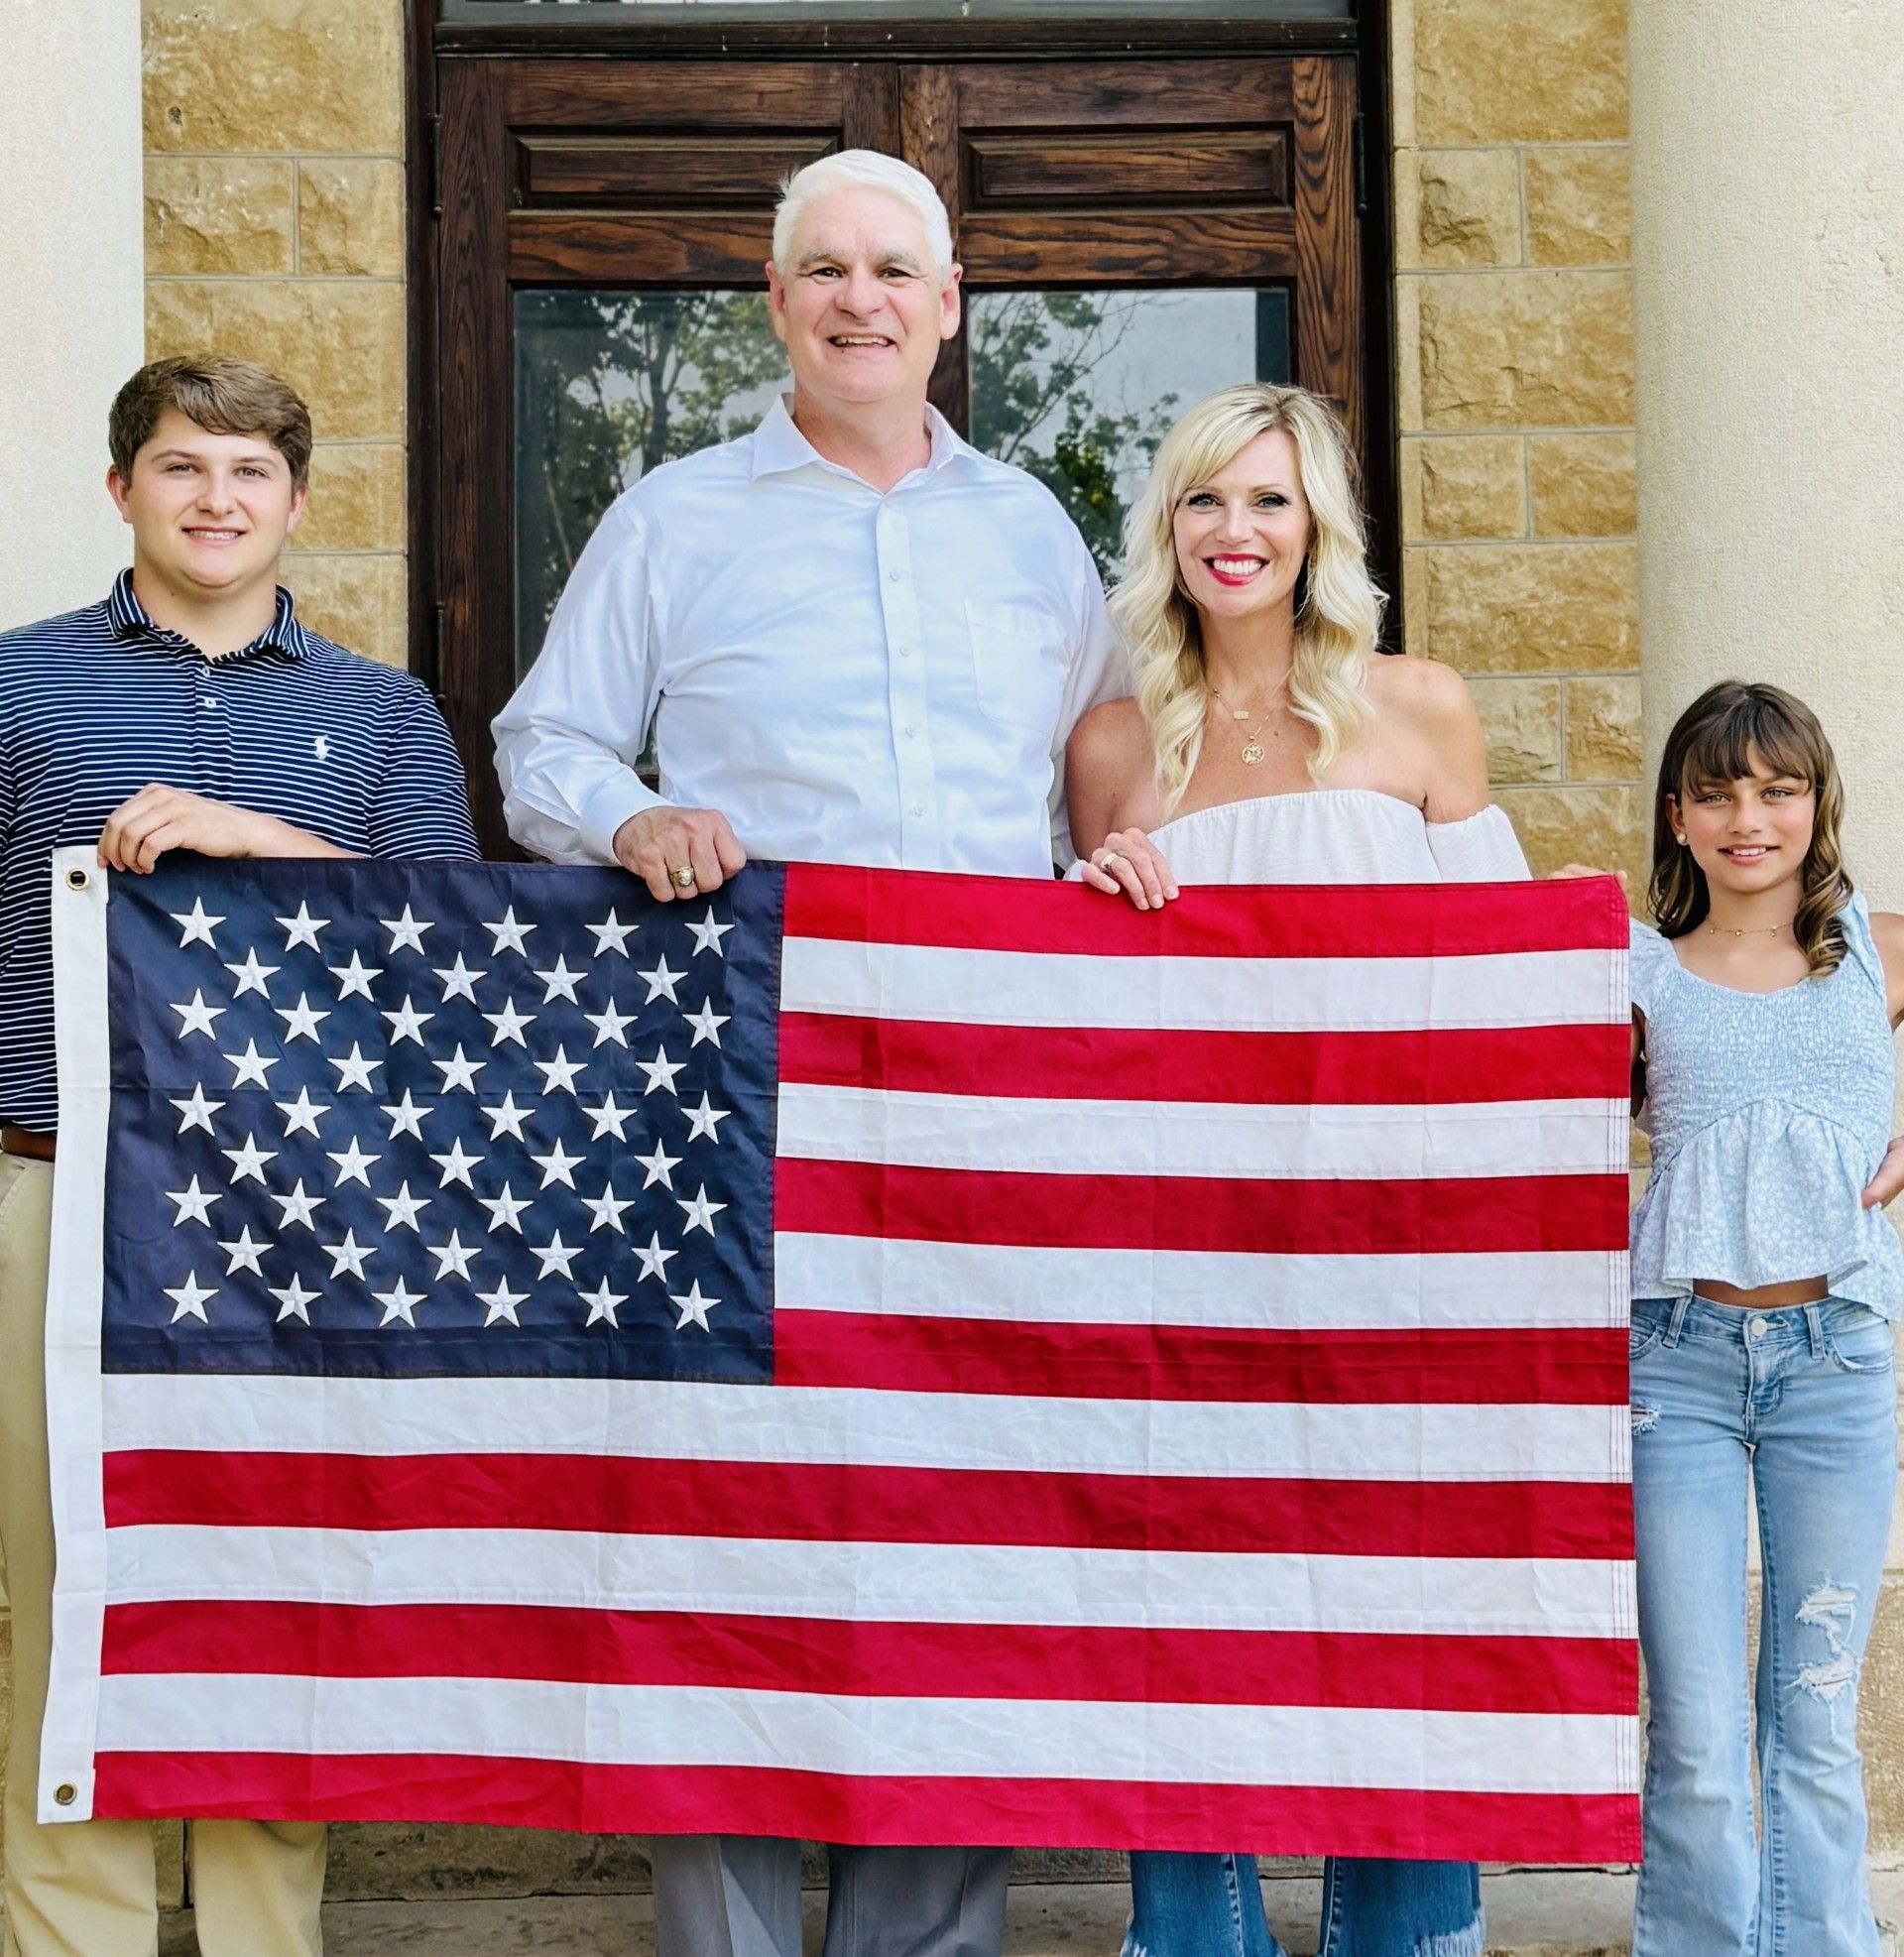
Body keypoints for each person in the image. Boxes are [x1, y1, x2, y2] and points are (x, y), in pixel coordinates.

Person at [492, 149, 1123, 1957]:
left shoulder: (1030, 529)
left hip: (983, 1105)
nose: (860, 299)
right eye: (823, 270)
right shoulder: (676, 518)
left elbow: (1100, 759)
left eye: (893, 270)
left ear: (948, 305)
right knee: (729, 1536)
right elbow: (546, 743)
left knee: (954, 1531)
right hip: (731, 1095)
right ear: (774, 304)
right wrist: (633, 821)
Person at [0, 354, 477, 1956]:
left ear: (295, 498)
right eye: (184, 466)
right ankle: (75, 1936)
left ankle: (266, 1938)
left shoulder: (378, 712)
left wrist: (259, 836)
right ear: (122, 485)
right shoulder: (18, 689)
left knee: (275, 1591)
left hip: (305, 1213)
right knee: (75, 1599)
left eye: (250, 471)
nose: (216, 498)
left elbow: (449, 952)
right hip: (63, 1189)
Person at [1064, 380, 1513, 1957]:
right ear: (1165, 530)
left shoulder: (1418, 710)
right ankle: (1198, 1941)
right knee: (1190, 1622)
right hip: (1185, 1259)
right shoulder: (1113, 747)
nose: (1233, 533)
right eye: (1202, 501)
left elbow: (1513, 992)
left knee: (1399, 1618)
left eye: (1265, 500)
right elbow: (1077, 1036)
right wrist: (1090, 895)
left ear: (1316, 522)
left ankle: (1407, 1939)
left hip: (1398, 1245)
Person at [1622, 681, 1902, 1957]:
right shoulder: (1635, 972)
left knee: (1816, 1707)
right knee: (1695, 1727)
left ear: (1815, 803)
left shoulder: (1873, 951)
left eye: (1777, 788)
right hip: (1676, 1367)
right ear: (1678, 816)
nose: (1750, 816)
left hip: (1835, 1362)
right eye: (1720, 791)